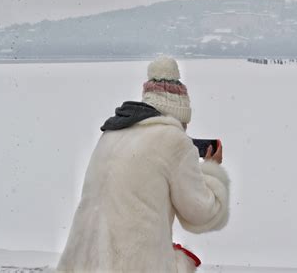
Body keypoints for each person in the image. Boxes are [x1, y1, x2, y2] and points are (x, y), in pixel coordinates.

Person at [57, 56, 230, 273]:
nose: (185, 129)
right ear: (177, 114)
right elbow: (203, 212)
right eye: (184, 122)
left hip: (83, 265)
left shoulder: (111, 134)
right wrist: (212, 171)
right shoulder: (173, 141)